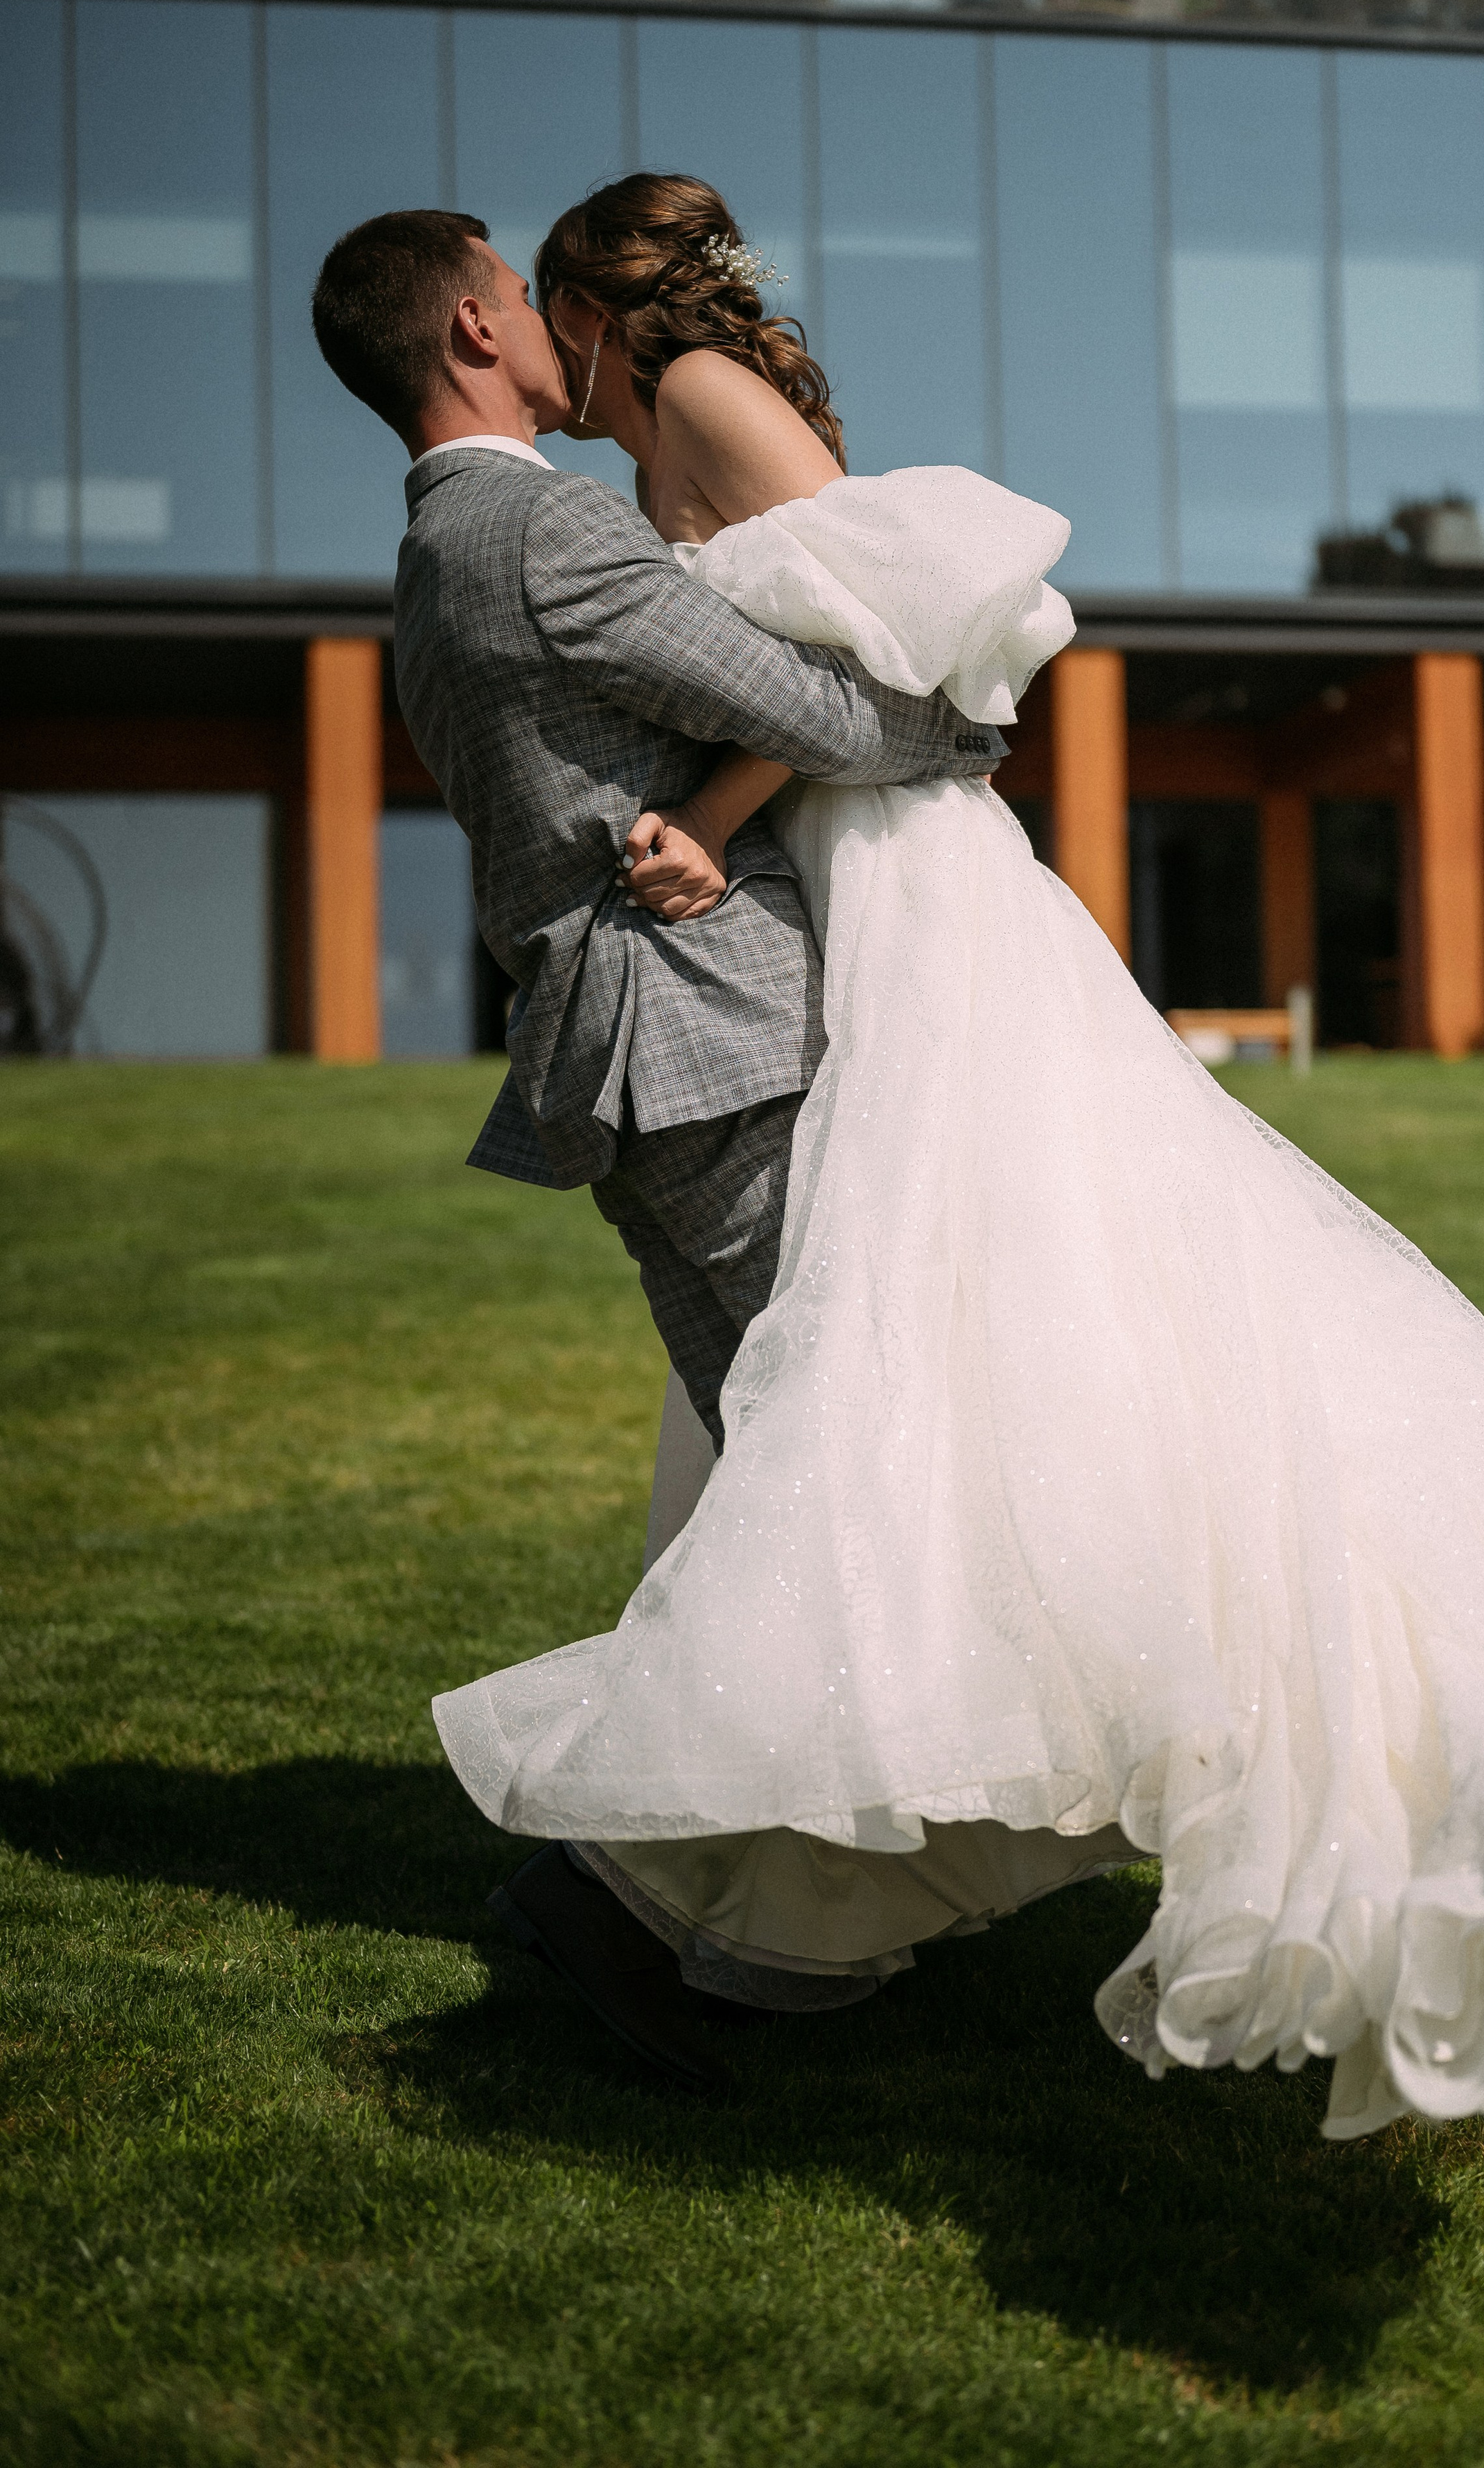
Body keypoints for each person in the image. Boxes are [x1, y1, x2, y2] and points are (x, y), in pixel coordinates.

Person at [428, 173, 1484, 2142]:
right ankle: (776, 1878)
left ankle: (757, 1864)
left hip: (898, 879)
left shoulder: (693, 397)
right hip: (832, 891)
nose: (553, 361)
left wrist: (711, 811)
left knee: (967, 1323)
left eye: (554, 314)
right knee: (886, 1365)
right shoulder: (638, 456)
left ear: (603, 309)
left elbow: (901, 677)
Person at [311, 207, 1007, 2089]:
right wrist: (959, 705)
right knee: (849, 1468)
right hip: (704, 1053)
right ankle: (640, 1902)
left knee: (806, 1466)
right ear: (474, 322)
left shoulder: (431, 555)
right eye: (516, 296)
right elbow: (806, 711)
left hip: (632, 1069)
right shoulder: (540, 527)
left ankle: (765, 1900)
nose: (553, 325)